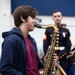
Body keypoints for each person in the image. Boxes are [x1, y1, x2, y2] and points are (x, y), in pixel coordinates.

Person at [0, 5, 44, 75]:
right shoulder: (11, 40)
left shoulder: (32, 40)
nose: (35, 21)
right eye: (33, 18)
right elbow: (5, 68)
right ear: (23, 18)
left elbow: (34, 65)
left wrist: (45, 59)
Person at [43, 10, 74, 75]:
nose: (57, 18)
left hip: (63, 59)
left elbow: (68, 46)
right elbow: (45, 45)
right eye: (55, 16)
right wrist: (49, 57)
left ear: (61, 17)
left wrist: (58, 57)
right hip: (51, 59)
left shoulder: (66, 31)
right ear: (53, 18)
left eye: (59, 16)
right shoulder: (48, 29)